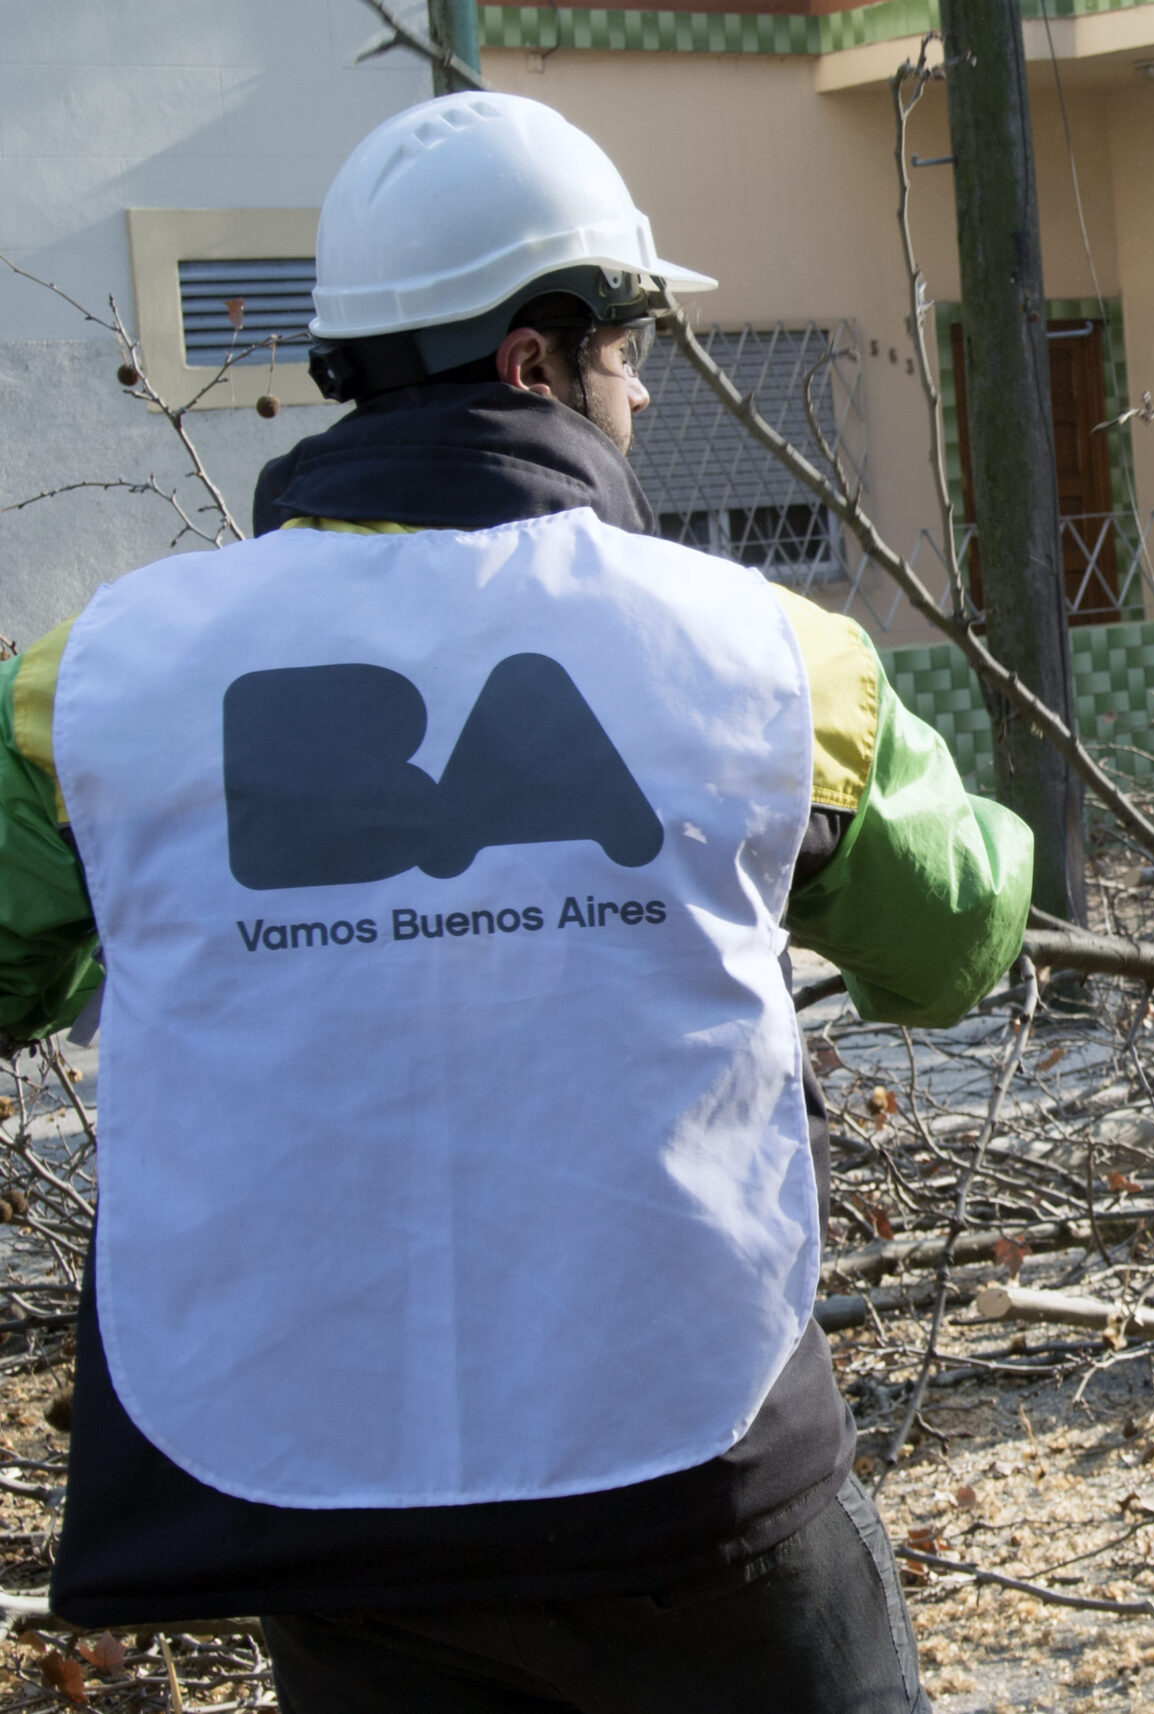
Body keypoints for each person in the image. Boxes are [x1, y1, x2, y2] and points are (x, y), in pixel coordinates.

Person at [0, 91, 1029, 1711]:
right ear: (537, 358)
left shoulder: (102, 684)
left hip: (317, 1490)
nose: (638, 392)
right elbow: (953, 937)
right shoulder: (766, 656)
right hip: (694, 1484)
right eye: (633, 347)